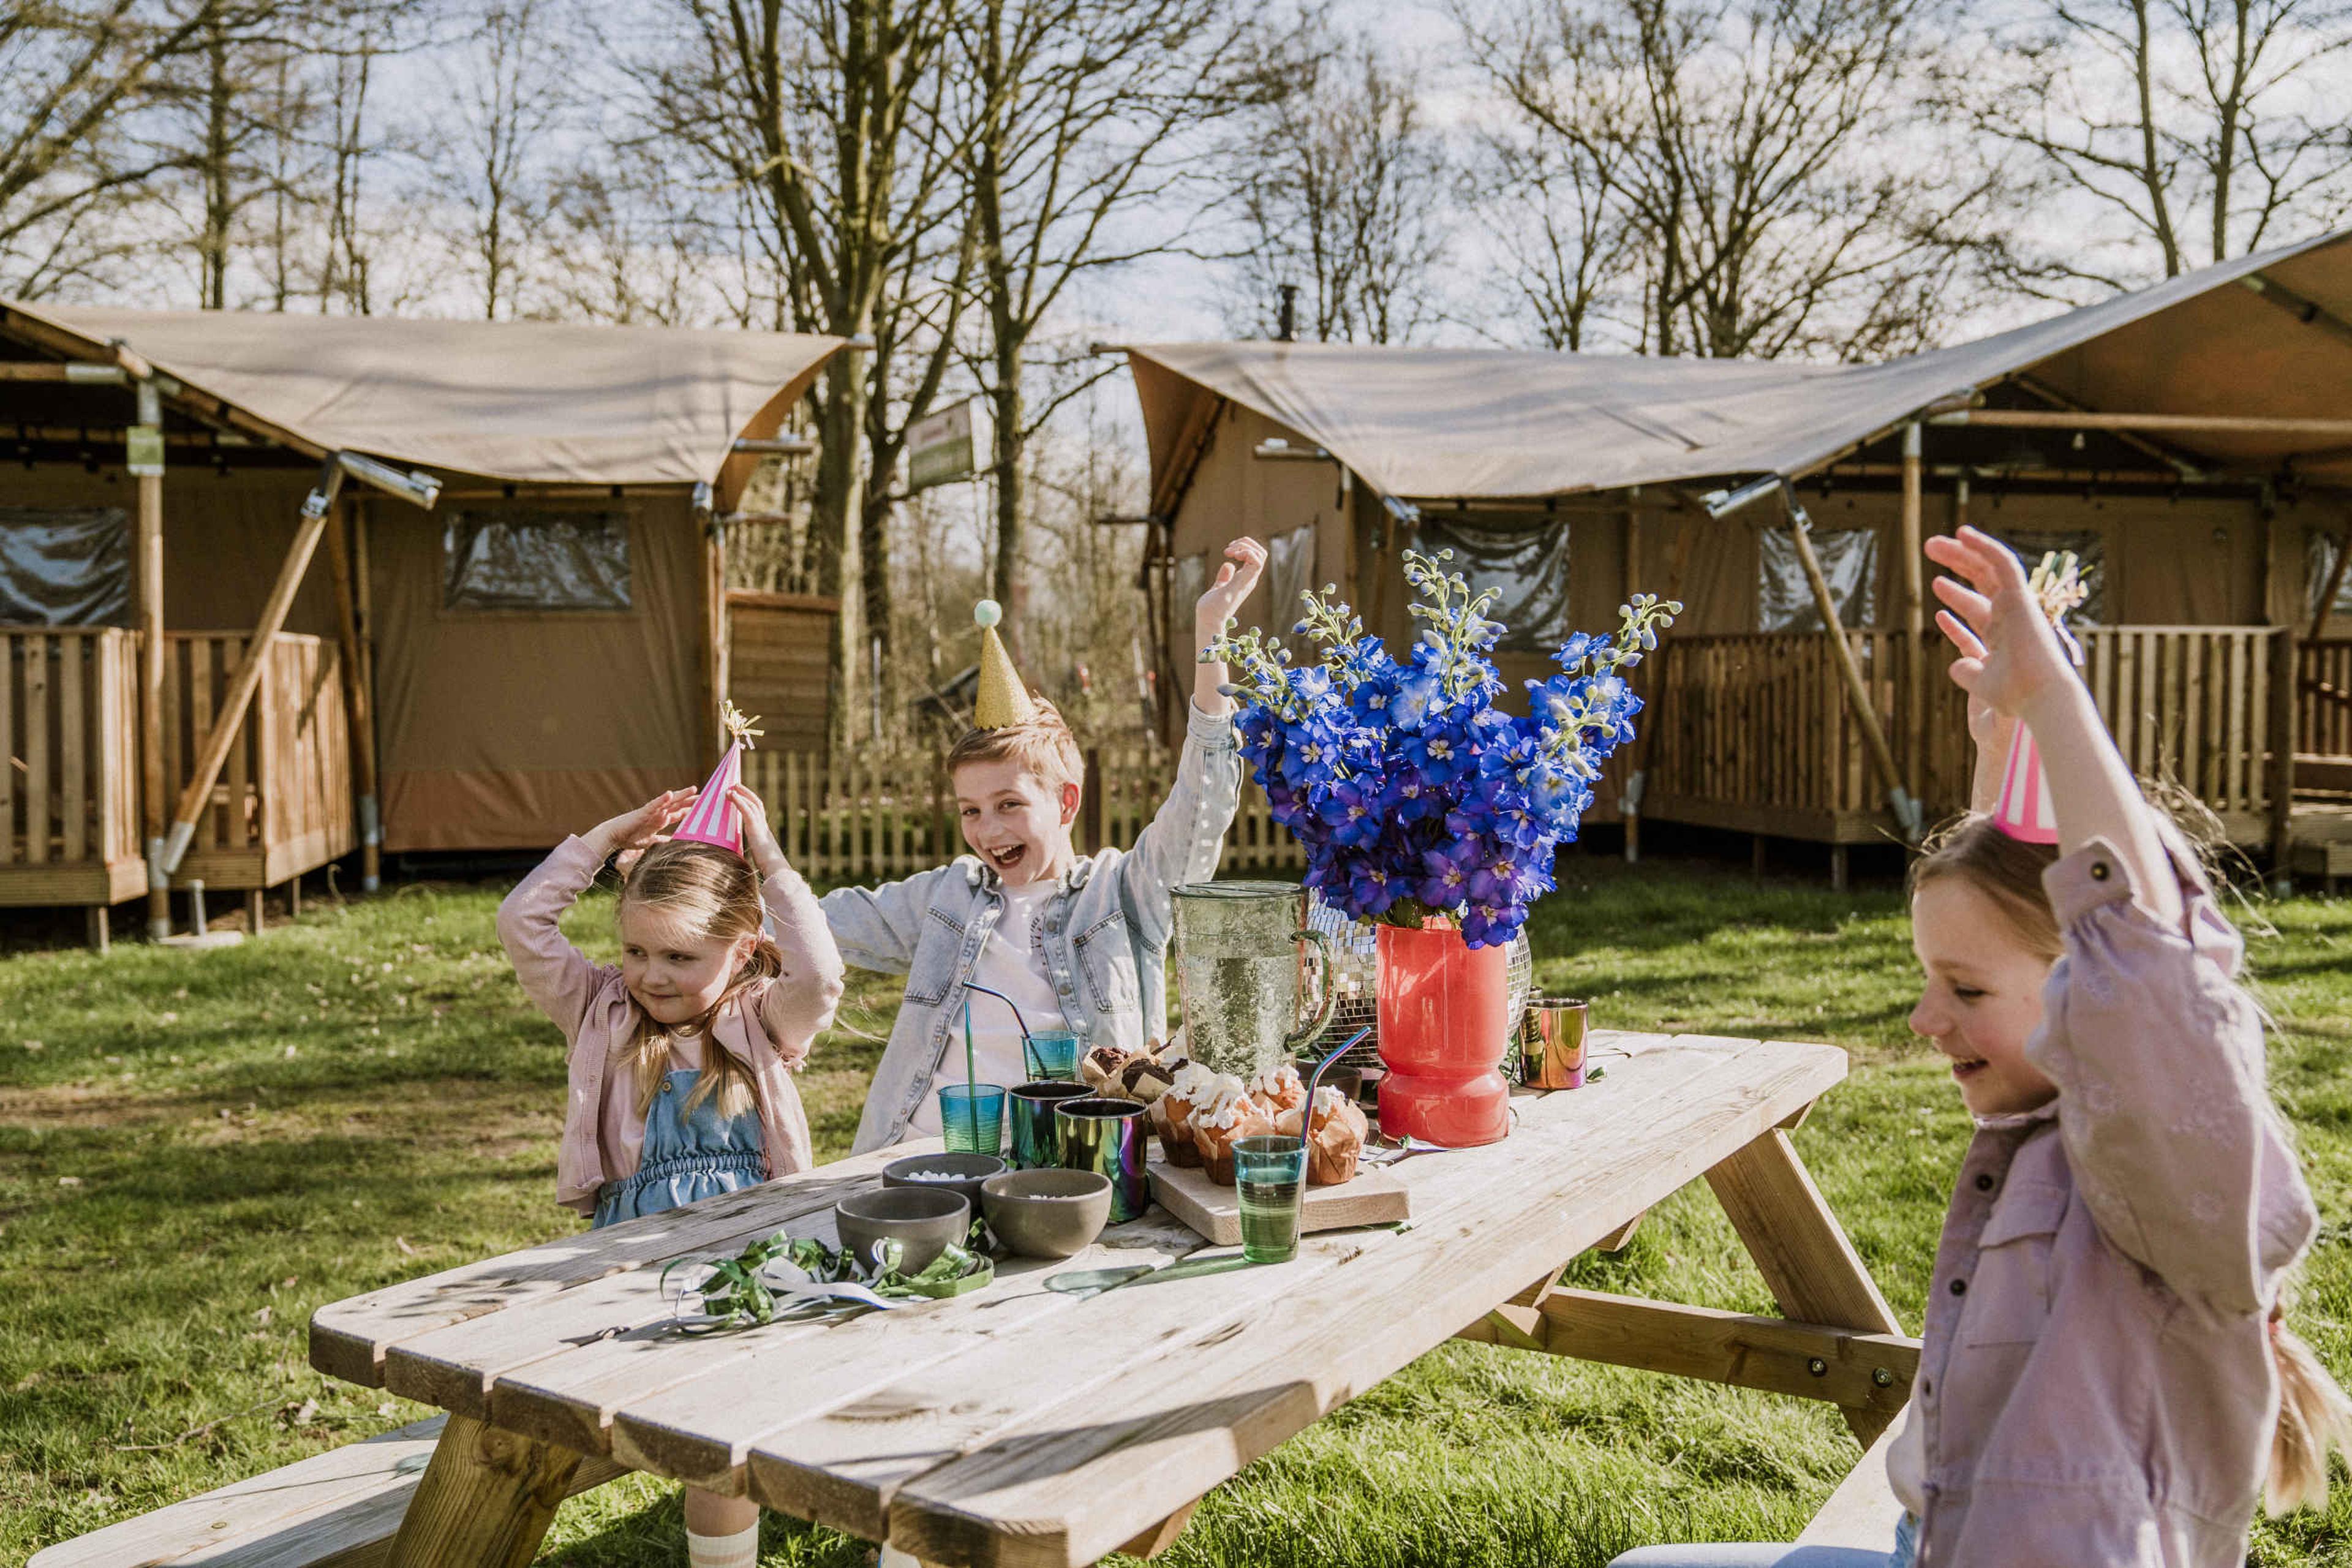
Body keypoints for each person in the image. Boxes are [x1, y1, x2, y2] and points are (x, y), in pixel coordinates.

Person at [1612, 527, 2350, 1567]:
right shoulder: (2061, 1132)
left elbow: (2145, 972)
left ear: (2094, 995)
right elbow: (2016, 914)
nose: (1923, 1019)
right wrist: (2008, 753)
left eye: (1961, 991)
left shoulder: (2166, 1178)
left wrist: (2058, 704)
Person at [820, 537, 1267, 1153]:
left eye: (1009, 805)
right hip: (918, 1155)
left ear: (1065, 803)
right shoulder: (948, 896)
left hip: (1061, 1162)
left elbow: (1203, 802)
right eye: (971, 811)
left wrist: (1211, 631)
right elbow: (817, 923)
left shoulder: (1122, 894)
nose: (989, 829)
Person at [497, 780, 844, 1568]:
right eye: (637, 949)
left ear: (746, 946)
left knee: (723, 1424)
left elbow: (819, 972)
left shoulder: (760, 1022)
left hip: (751, 1255)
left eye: (680, 956)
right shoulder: (599, 1010)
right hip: (632, 1263)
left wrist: (771, 860)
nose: (651, 975)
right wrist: (603, 836)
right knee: (687, 1422)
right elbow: (522, 922)